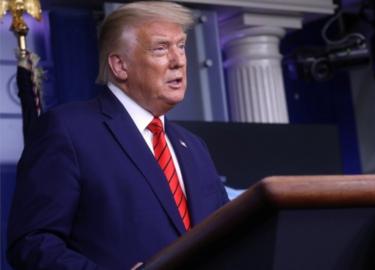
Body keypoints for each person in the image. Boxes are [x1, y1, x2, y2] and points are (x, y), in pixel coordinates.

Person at [7, 1, 229, 269]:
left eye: (181, 46)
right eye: (161, 48)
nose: (179, 61)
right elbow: (32, 243)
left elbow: (230, 236)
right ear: (120, 65)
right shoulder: (68, 130)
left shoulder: (193, 147)